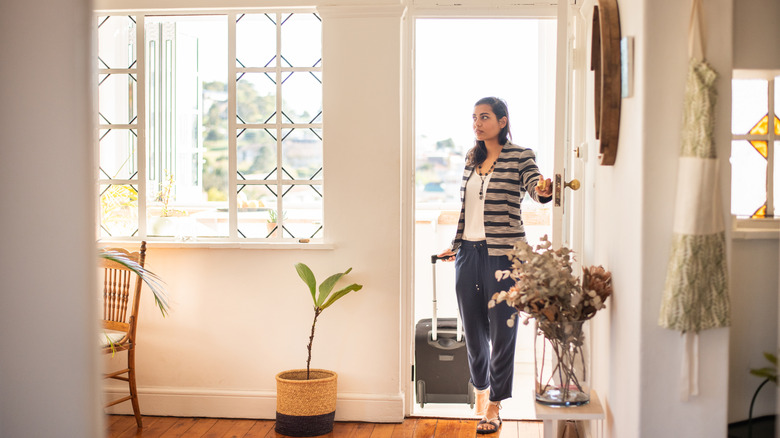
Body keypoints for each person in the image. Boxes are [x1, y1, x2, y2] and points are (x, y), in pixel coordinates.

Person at [438, 97, 553, 434]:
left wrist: (544, 190)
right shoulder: (472, 160)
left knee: (503, 330)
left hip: (504, 256)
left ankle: (495, 404)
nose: (477, 123)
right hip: (468, 254)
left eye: (485, 117)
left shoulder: (521, 155)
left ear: (502, 121)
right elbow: (466, 209)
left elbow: (535, 186)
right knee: (472, 330)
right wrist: (456, 244)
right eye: (474, 117)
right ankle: (482, 388)